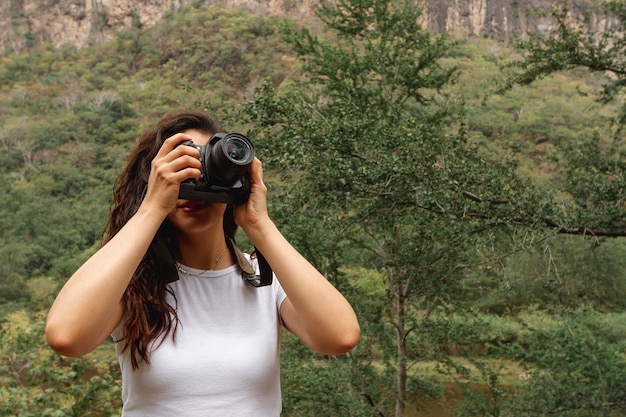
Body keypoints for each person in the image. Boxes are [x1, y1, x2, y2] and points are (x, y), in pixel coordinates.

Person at [45, 110, 360, 416]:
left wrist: (259, 223)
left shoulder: (266, 280)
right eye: (181, 169)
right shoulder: (132, 283)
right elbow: (66, 337)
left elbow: (340, 337)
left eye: (205, 167)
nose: (194, 182)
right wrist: (152, 208)